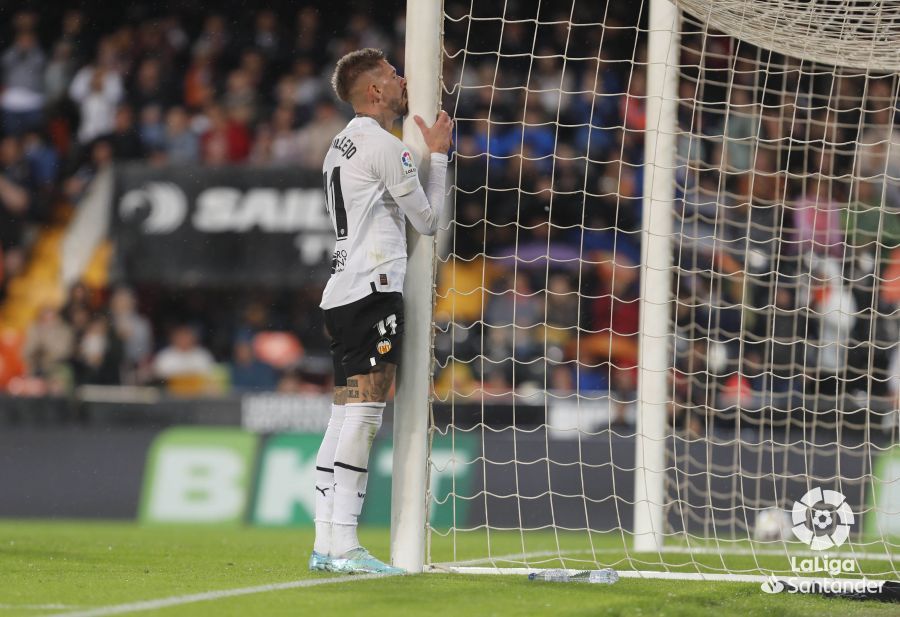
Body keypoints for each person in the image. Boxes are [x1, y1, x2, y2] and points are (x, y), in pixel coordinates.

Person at [310, 48, 452, 575]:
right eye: (393, 75)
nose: (402, 80)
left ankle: (327, 541)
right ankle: (344, 543)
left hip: (342, 292)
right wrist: (436, 157)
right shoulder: (385, 148)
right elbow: (431, 221)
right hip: (374, 289)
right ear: (374, 91)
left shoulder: (340, 145)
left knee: (345, 412)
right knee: (365, 414)